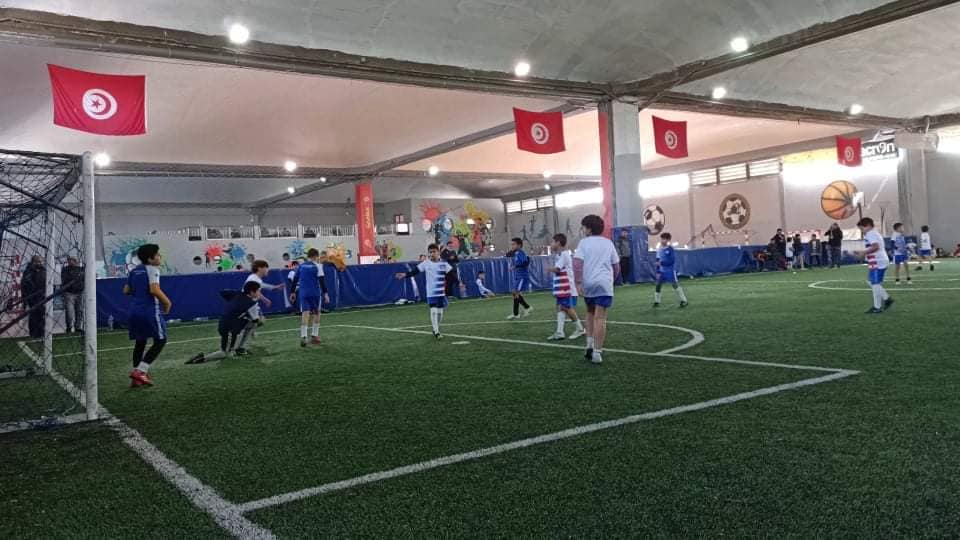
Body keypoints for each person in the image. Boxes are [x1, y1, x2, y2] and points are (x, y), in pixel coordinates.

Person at [573, 215, 620, 365]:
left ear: (589, 228)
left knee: (590, 312)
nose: (582, 229)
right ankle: (597, 353)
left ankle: (589, 345)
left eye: (583, 227)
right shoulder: (608, 243)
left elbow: (577, 264)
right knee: (600, 318)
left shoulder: (583, 243)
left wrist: (578, 282)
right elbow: (616, 266)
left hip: (589, 282)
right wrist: (611, 279)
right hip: (604, 283)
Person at [125, 244, 172, 387]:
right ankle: (141, 371)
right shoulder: (153, 269)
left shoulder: (134, 271)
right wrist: (167, 303)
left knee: (140, 342)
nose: (159, 257)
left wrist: (139, 291)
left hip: (134, 311)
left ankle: (136, 379)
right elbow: (154, 290)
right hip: (149, 311)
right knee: (161, 340)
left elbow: (126, 291)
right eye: (157, 254)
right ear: (150, 259)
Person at [186, 281, 263, 364]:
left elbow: (223, 292)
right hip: (230, 329)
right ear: (252, 292)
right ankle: (202, 358)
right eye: (258, 291)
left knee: (251, 324)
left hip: (223, 323)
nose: (260, 293)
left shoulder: (236, 294)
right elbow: (256, 321)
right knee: (225, 353)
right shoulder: (252, 304)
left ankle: (240, 348)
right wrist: (260, 318)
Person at [395, 244, 452, 339]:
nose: (432, 254)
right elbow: (415, 271)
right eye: (430, 252)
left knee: (440, 313)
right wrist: (405, 275)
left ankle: (436, 328)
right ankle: (436, 331)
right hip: (431, 293)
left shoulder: (444, 264)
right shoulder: (426, 263)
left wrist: (459, 283)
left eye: (434, 252)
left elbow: (451, 275)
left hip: (441, 293)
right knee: (434, 311)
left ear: (438, 252)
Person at [235, 260, 282, 355]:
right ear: (260, 268)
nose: (267, 270)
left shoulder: (256, 278)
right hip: (248, 305)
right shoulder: (254, 278)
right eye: (266, 267)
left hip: (251, 304)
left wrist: (265, 299)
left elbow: (258, 290)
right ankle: (239, 346)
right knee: (253, 323)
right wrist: (274, 287)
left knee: (259, 321)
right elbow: (257, 289)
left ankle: (243, 340)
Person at [547, 233, 585, 341]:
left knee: (567, 308)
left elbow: (557, 269)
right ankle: (560, 332)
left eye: (553, 242)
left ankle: (580, 329)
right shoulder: (560, 255)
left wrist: (548, 269)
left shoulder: (564, 255)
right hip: (563, 288)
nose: (551, 244)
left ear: (558, 243)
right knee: (560, 307)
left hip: (567, 288)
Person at [290, 249, 330, 347]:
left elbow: (295, 279)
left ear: (308, 256)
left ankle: (303, 337)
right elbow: (322, 281)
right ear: (316, 256)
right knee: (317, 313)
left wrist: (292, 292)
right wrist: (326, 294)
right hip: (315, 293)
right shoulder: (318, 266)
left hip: (303, 293)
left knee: (305, 314)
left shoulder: (301, 266)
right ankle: (314, 336)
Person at [858, 217, 893, 314]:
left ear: (868, 226)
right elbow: (874, 247)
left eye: (862, 228)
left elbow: (875, 247)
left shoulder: (871, 233)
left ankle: (878, 306)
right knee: (871, 282)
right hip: (877, 261)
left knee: (875, 283)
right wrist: (863, 253)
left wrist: (863, 252)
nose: (862, 231)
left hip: (878, 261)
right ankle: (886, 299)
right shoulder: (872, 233)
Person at [653, 232, 689, 308]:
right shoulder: (659, 249)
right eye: (662, 239)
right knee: (658, 285)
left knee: (674, 285)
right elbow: (657, 260)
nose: (662, 240)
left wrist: (661, 263)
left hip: (670, 271)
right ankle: (657, 302)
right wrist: (658, 271)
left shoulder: (670, 249)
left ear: (668, 240)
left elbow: (671, 261)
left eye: (664, 239)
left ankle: (684, 300)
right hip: (661, 271)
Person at [20, 255, 47, 339]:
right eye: (38, 261)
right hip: (32, 297)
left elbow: (46, 283)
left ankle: (41, 332)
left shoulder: (44, 271)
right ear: (33, 262)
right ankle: (33, 333)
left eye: (41, 261)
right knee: (33, 315)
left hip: (41, 296)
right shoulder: (28, 271)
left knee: (41, 315)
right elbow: (24, 285)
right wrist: (26, 298)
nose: (40, 263)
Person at [506, 238, 533, 319]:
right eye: (511, 244)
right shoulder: (517, 253)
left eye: (513, 244)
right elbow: (509, 254)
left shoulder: (520, 252)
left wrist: (514, 266)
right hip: (518, 276)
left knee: (515, 293)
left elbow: (525, 263)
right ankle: (527, 308)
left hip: (522, 276)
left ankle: (517, 313)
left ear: (519, 245)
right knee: (515, 293)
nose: (512, 246)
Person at [60, 256, 84, 334]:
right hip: (69, 293)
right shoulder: (65, 270)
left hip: (79, 292)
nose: (71, 262)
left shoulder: (80, 269)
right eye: (70, 260)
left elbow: (83, 279)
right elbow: (65, 279)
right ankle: (69, 327)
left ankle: (78, 327)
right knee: (69, 312)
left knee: (79, 311)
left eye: (73, 260)